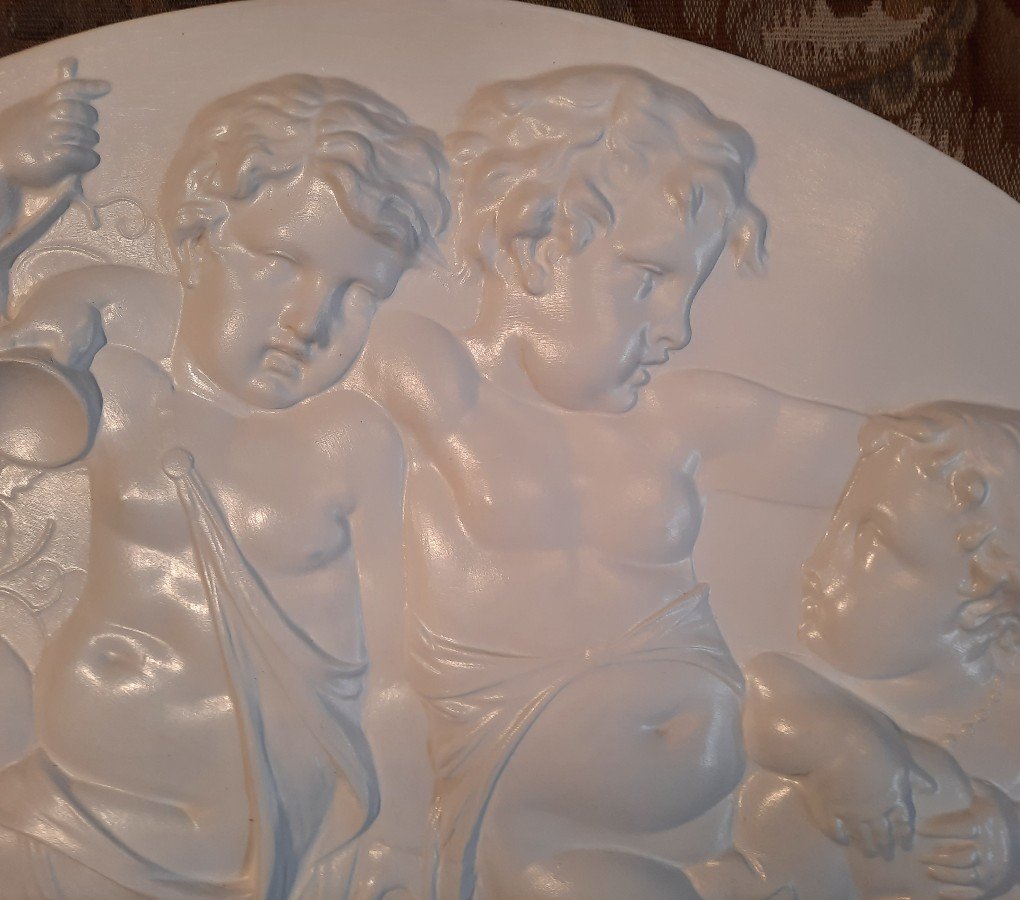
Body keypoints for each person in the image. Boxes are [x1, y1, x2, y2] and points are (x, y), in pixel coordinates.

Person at [357, 65, 867, 898]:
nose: (679, 327)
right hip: (535, 836)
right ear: (535, 246)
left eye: (689, 289)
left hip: (737, 817)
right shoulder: (423, 373)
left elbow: (905, 465)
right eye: (648, 280)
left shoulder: (680, 416)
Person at [0, 67, 447, 898]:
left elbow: (394, 674)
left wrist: (402, 839)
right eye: (280, 261)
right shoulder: (121, 392)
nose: (310, 319)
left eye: (358, 291)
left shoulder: (348, 443)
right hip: (71, 804)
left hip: (244, 842)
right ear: (196, 241)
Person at [794, 400, 1020, 897]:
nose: (817, 563)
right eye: (837, 524)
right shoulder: (793, 695)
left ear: (983, 600)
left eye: (874, 545)